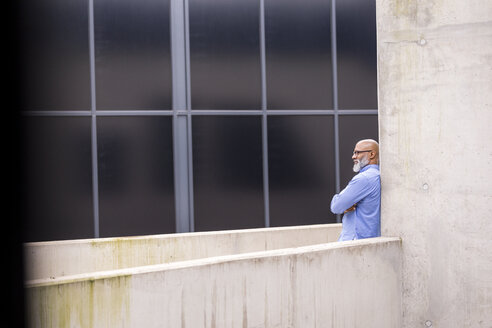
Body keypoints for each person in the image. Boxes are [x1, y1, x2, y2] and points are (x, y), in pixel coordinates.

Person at [331, 139, 381, 241]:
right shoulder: (378, 175)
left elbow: (336, 207)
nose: (353, 156)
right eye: (354, 153)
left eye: (358, 152)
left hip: (354, 242)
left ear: (372, 154)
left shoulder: (364, 178)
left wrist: (343, 202)